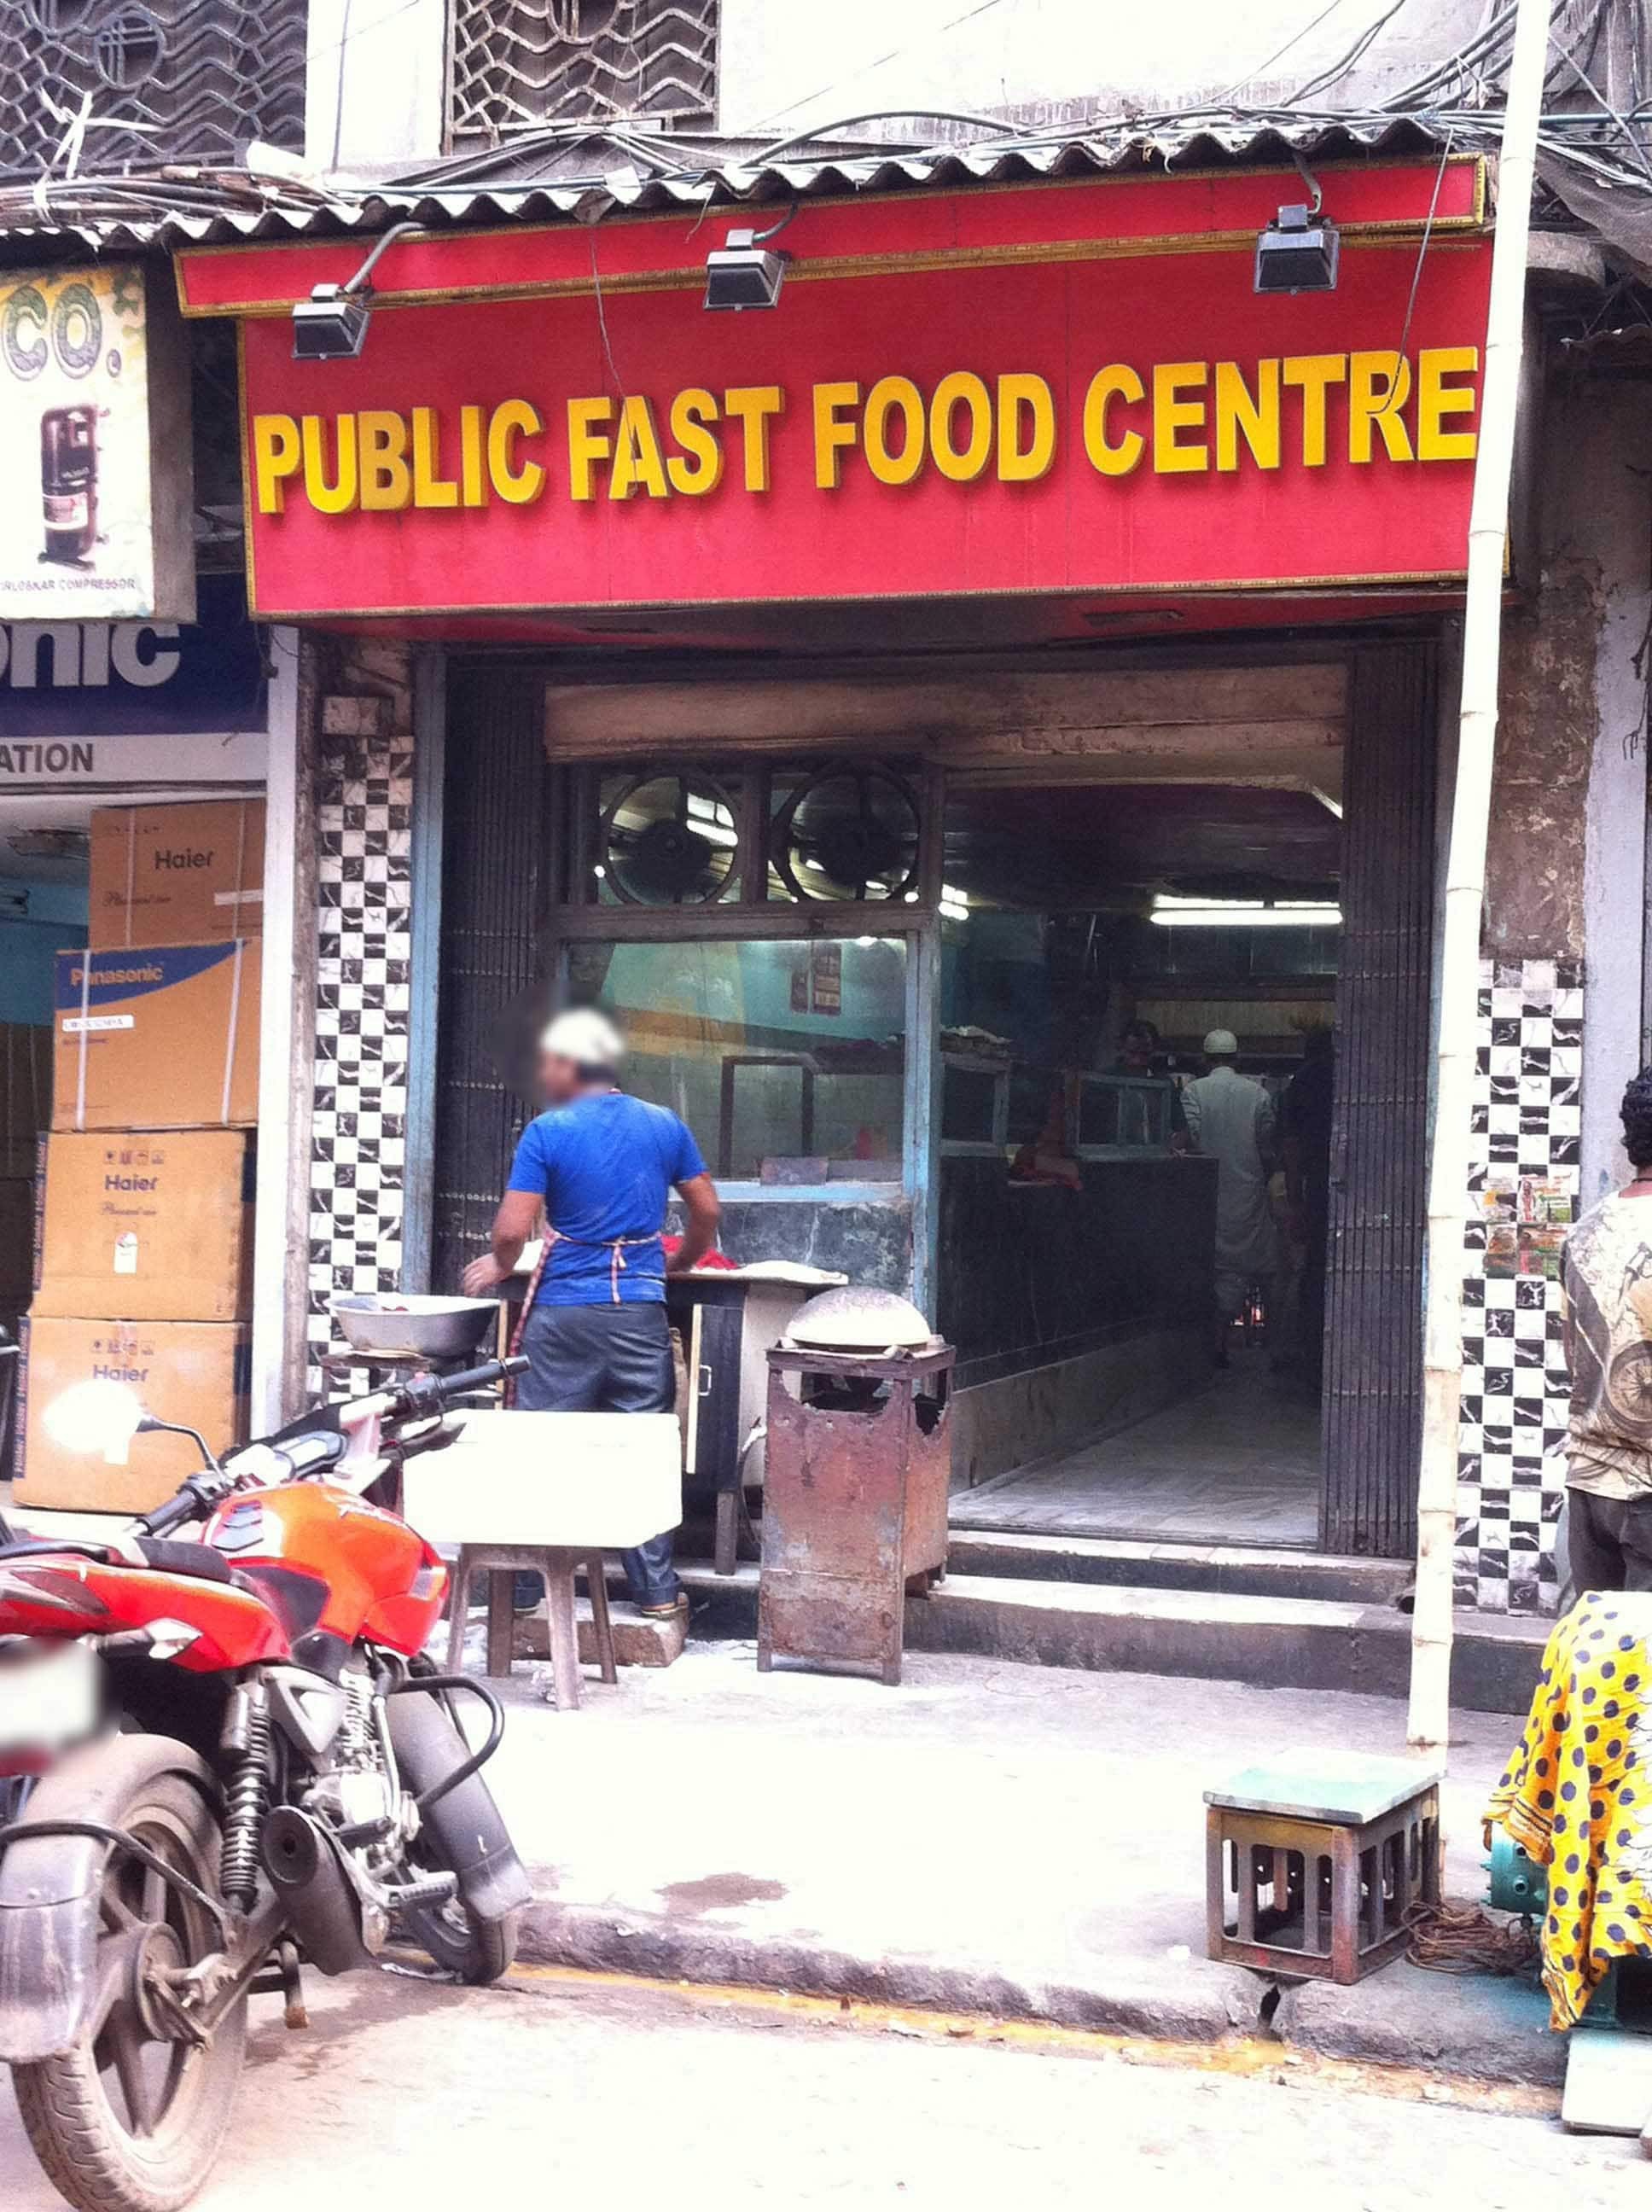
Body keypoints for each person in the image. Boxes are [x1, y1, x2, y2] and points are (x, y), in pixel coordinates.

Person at [462, 1008, 721, 1617]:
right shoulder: (663, 1125)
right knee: (641, 1451)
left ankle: (527, 1593)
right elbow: (707, 1212)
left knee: (544, 1450)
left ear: (572, 1064)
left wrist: (503, 1264)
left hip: (563, 1319)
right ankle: (658, 1597)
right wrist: (678, 1260)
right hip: (638, 1314)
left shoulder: (548, 1132)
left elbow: (511, 1228)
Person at [1561, 1068, 1652, 1592]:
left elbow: (1575, 1352)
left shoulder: (1585, 1230)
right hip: (1647, 1498)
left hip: (1590, 1488)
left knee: (1603, 1666)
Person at [1180, 1028, 1278, 1362]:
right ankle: (1275, 1348)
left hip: (1207, 1194)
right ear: (1237, 1058)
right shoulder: (1258, 1095)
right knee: (1259, 1272)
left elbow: (1190, 1140)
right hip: (1248, 1193)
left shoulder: (1193, 1091)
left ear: (1205, 1059)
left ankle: (1214, 1344)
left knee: (1219, 1273)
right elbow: (1267, 1147)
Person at [1281, 1027, 1335, 1383]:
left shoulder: (1302, 1083)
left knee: (1314, 1275)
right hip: (1358, 1190)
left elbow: (1291, 1146)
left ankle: (1313, 1366)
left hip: (1317, 1188)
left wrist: (1294, 1198)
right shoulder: (1353, 1074)